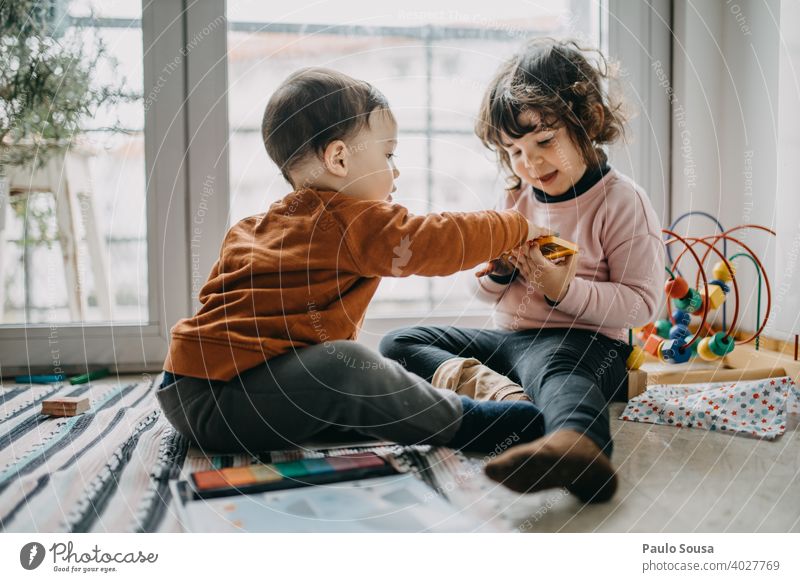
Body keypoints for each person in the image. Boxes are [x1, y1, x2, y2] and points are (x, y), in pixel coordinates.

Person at [157, 67, 550, 455]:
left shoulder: (257, 227)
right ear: (339, 159)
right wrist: (515, 227)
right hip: (221, 398)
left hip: (194, 387)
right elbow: (434, 240)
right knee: (345, 364)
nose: (395, 171)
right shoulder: (345, 221)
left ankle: (396, 421)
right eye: (388, 154)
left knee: (340, 379)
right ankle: (465, 423)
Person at [380, 39, 664, 503]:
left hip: (587, 345)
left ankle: (579, 448)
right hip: (512, 343)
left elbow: (641, 303)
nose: (529, 163)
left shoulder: (620, 201)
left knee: (559, 371)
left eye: (544, 142)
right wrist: (497, 275)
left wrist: (562, 290)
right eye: (513, 150)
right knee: (399, 342)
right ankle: (515, 417)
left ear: (588, 122)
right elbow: (483, 292)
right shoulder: (516, 196)